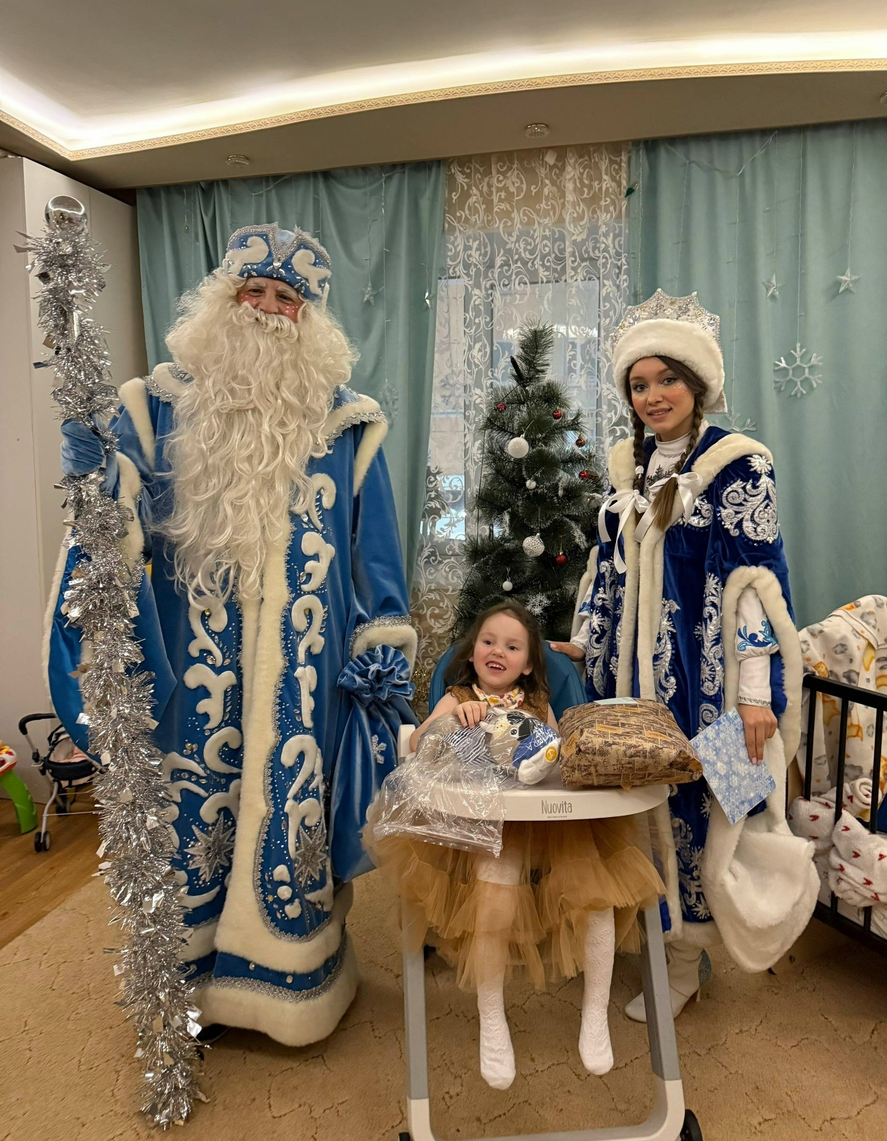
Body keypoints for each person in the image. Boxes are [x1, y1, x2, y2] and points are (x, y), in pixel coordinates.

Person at [46, 224, 418, 1046]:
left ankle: (290, 986)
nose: (267, 309)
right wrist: (93, 470)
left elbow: (376, 557)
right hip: (194, 665)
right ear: (223, 299)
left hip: (306, 673)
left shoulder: (348, 424)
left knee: (293, 815)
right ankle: (189, 984)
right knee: (191, 818)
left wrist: (380, 667)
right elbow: (116, 519)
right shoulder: (157, 405)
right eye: (254, 291)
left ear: (309, 320)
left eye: (287, 298)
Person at [552, 289, 816, 1021]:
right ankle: (651, 936)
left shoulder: (738, 465)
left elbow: (755, 586)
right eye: (639, 384)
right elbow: (605, 574)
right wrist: (585, 640)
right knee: (637, 813)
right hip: (625, 686)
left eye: (667, 379)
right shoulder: (625, 469)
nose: (653, 396)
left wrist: (756, 695)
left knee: (707, 810)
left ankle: (685, 959)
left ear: (697, 384)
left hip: (708, 687)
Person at [366, 601, 664, 1089]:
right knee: (495, 889)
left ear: (527, 663)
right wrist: (451, 718)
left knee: (596, 899)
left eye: (511, 646)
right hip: (486, 823)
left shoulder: (538, 701)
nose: (497, 651)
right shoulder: (459, 696)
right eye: (488, 642)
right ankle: (492, 1019)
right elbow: (418, 744)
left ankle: (595, 1014)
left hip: (551, 822)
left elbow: (559, 757)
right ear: (472, 652)